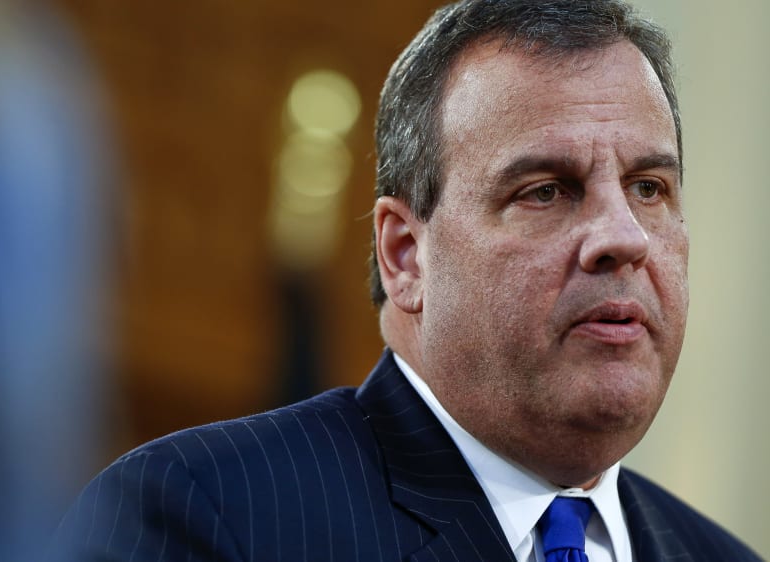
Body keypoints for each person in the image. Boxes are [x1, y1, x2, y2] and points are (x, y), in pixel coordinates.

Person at [51, 0, 763, 560]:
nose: (623, 237)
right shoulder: (205, 516)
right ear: (404, 255)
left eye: (648, 188)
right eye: (546, 190)